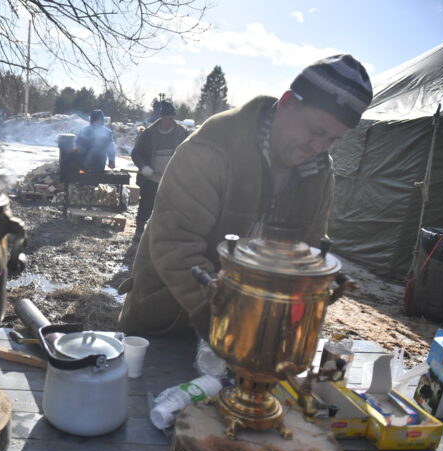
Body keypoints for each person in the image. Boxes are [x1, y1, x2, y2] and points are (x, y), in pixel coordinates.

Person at [118, 54, 373, 338]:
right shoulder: (212, 148)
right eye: (316, 131)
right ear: (287, 102)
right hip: (168, 322)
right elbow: (175, 244)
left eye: (332, 140)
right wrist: (223, 320)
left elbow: (306, 252)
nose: (319, 146)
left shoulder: (319, 173)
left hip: (251, 331)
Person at [131, 99, 189, 239]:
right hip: (151, 178)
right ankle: (139, 231)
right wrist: (144, 167)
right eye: (167, 118)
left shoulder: (182, 133)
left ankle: (164, 235)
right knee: (146, 204)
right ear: (161, 117)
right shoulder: (149, 133)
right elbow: (135, 153)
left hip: (171, 179)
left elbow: (188, 153)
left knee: (169, 208)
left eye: (172, 118)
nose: (169, 121)